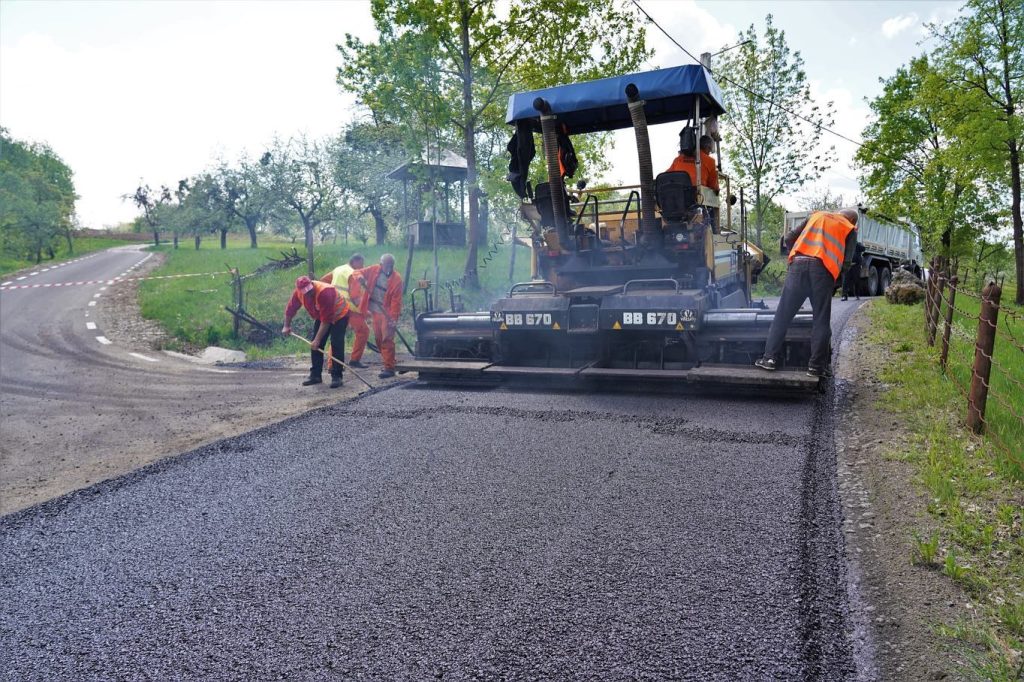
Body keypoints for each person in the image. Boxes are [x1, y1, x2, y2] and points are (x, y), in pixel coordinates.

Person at [754, 208, 859, 377]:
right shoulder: (849, 228)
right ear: (852, 220)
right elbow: (846, 263)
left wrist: (794, 255)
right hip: (823, 272)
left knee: (782, 316)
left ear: (839, 212)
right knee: (821, 320)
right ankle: (816, 367)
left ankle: (769, 359)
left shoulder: (815, 216)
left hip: (798, 266)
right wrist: (835, 281)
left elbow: (788, 237)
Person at [282, 275, 350, 388]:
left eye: (310, 290)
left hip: (340, 315)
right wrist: (286, 326)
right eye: (306, 292)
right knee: (315, 345)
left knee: (336, 343)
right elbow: (290, 309)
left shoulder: (325, 292)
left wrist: (317, 340)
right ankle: (315, 375)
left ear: (312, 284)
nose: (309, 293)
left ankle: (337, 376)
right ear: (300, 290)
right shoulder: (298, 293)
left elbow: (326, 321)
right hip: (322, 315)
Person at [353, 254, 404, 379]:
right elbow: (357, 272)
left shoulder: (397, 279)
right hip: (376, 311)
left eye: (391, 265)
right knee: (379, 339)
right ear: (381, 264)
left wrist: (393, 318)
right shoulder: (374, 269)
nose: (389, 268)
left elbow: (396, 302)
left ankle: (389, 368)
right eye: (386, 265)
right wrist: (360, 277)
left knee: (387, 339)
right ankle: (390, 361)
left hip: (387, 313)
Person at [321, 253, 370, 368]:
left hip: (335, 307)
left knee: (337, 336)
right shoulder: (353, 274)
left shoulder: (338, 269)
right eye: (361, 264)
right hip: (349, 308)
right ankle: (354, 360)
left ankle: (332, 365)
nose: (362, 267)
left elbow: (323, 280)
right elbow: (355, 297)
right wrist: (365, 311)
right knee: (363, 331)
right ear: (355, 261)